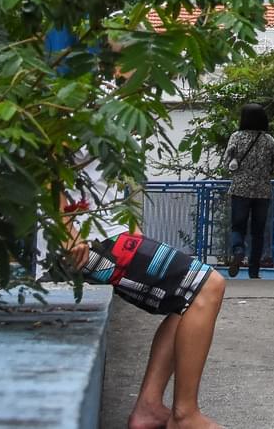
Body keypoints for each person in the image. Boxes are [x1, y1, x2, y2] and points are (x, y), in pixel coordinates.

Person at [61, 164, 228, 429]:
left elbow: (103, 180)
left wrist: (132, 228)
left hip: (108, 233)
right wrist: (66, 232)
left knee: (187, 297)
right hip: (88, 240)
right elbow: (49, 163)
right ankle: (185, 416)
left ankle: (148, 408)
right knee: (207, 285)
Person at [223, 102, 274, 279]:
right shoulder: (268, 140)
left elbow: (226, 163)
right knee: (258, 232)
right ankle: (254, 271)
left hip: (240, 190)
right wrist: (268, 169)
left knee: (237, 226)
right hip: (262, 192)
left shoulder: (235, 137)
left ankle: (238, 250)